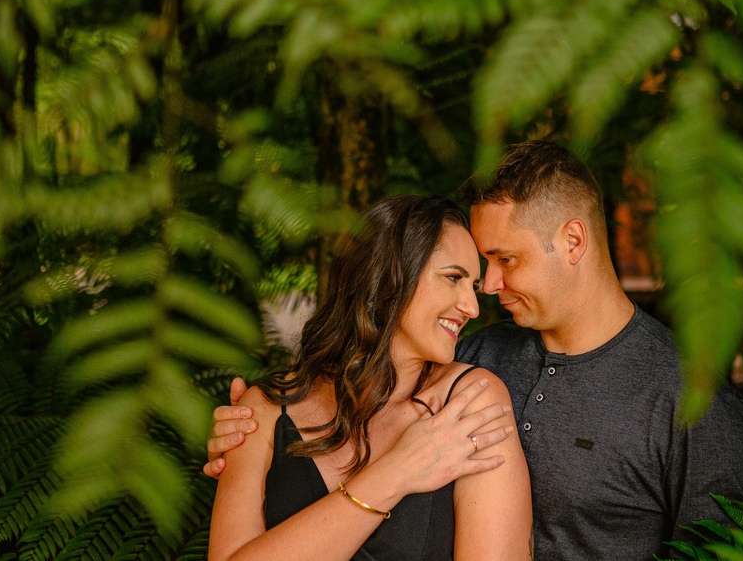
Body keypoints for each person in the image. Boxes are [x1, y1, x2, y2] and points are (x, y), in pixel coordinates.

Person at [208, 143, 743, 560]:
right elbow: (367, 387)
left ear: (572, 241)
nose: (488, 288)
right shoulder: (472, 359)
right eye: (476, 268)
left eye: (504, 260)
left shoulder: (689, 399)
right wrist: (249, 438)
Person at [207, 194, 532, 561]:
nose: (472, 308)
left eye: (472, 286)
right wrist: (397, 471)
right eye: (453, 277)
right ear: (388, 275)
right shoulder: (261, 411)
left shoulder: (472, 403)